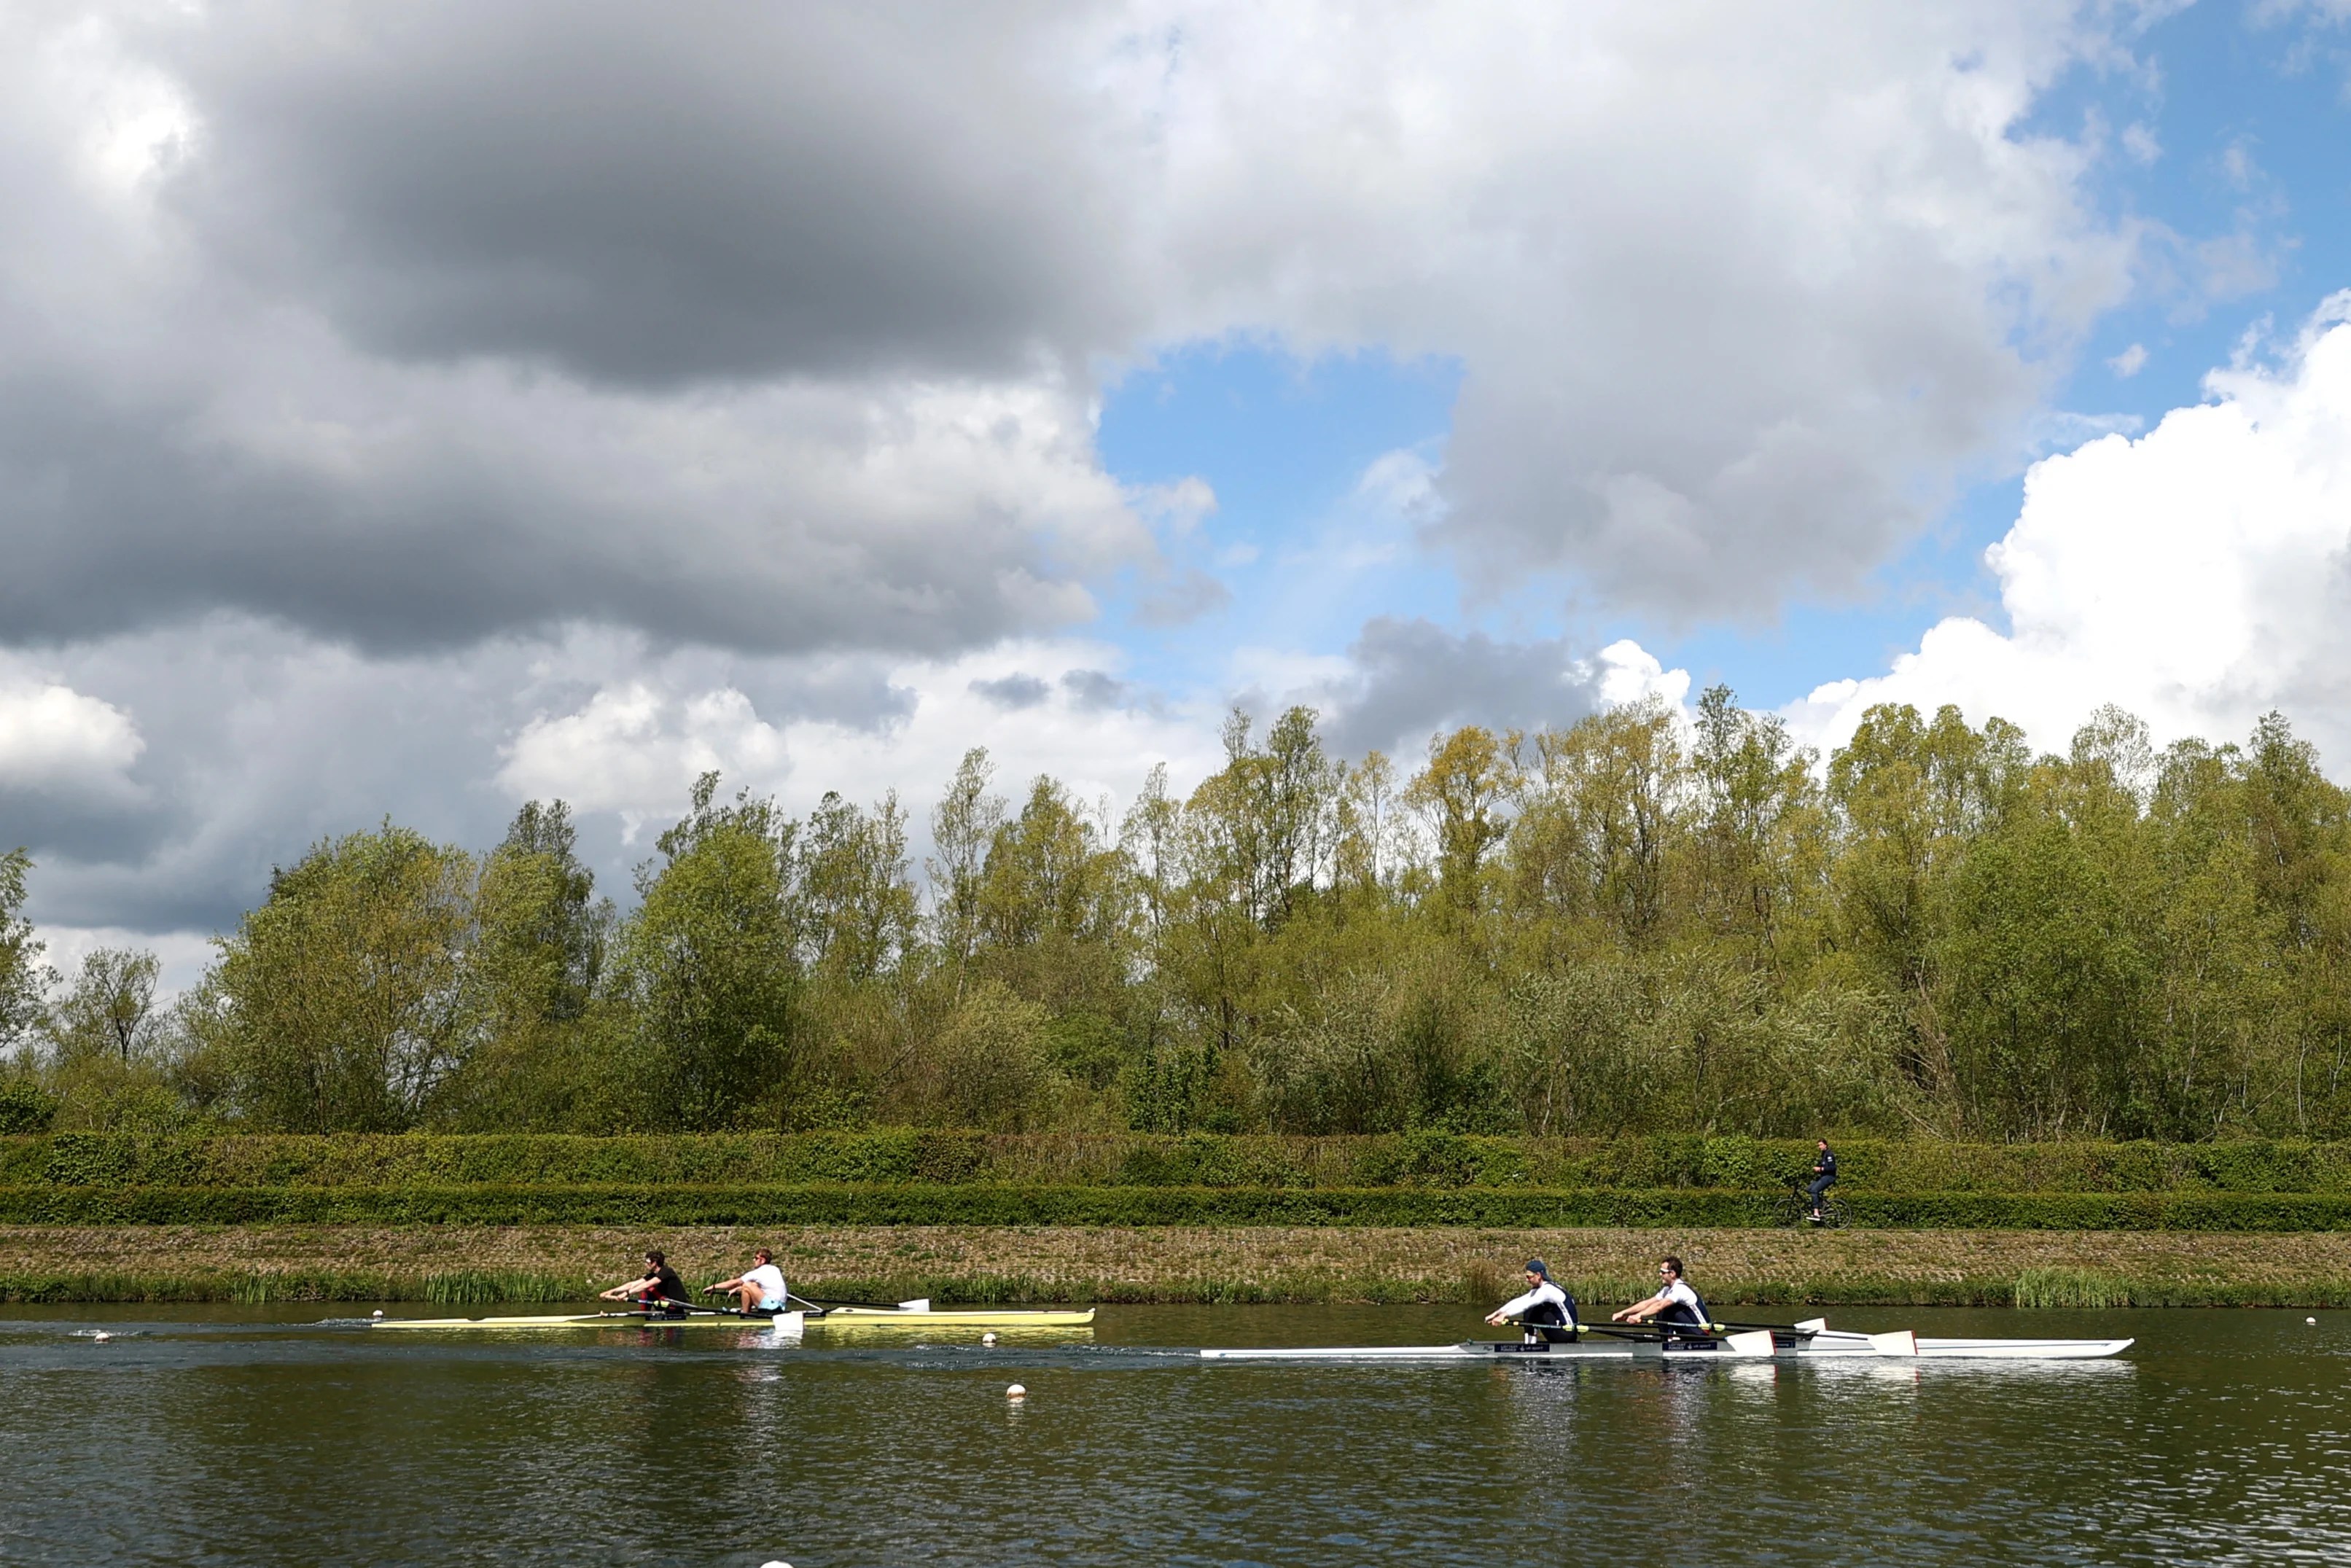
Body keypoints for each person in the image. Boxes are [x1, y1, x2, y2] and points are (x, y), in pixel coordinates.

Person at [1486, 1258, 1578, 1343]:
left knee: (1533, 1309)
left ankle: (1530, 1345)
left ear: (1538, 1275)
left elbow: (1527, 1305)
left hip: (1567, 1334)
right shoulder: (1540, 1289)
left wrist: (1504, 1316)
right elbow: (1519, 1301)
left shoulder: (1547, 1290)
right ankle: (1530, 1343)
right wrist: (1497, 1313)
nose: (1527, 1280)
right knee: (1532, 1308)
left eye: (1529, 1277)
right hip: (1560, 1330)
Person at [1612, 1256, 1711, 1334]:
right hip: (1689, 1328)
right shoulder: (1667, 1290)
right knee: (1659, 1307)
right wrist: (1624, 1313)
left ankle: (1669, 1339)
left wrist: (1639, 1315)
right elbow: (1646, 1304)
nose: (1660, 1274)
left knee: (1665, 1308)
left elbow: (1659, 1306)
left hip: (1700, 1330)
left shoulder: (1680, 1289)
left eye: (1663, 1272)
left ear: (1672, 1274)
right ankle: (1668, 1339)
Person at [600, 1249, 693, 1317]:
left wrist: (627, 1293)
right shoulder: (653, 1274)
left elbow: (647, 1285)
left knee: (649, 1289)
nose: (645, 1264)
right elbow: (632, 1284)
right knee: (647, 1290)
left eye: (647, 1262)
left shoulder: (667, 1271)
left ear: (654, 1263)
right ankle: (644, 1316)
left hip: (675, 1305)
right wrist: (611, 1291)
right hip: (665, 1304)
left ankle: (644, 1316)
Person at [708, 1247, 789, 1316]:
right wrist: (737, 1289)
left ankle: (745, 1314)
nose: (754, 1260)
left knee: (746, 1285)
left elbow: (733, 1283)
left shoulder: (758, 1272)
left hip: (772, 1308)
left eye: (756, 1258)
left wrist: (713, 1287)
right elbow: (756, 1286)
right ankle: (746, 1312)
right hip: (780, 1308)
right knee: (748, 1286)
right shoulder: (775, 1269)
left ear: (762, 1260)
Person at [1809, 1139, 1839, 1222]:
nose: (1819, 1147)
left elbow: (1833, 1168)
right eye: (1819, 1145)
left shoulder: (1829, 1154)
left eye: (1821, 1145)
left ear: (1826, 1145)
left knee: (1814, 1191)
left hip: (1829, 1177)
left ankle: (1816, 1214)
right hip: (1823, 1176)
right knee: (1809, 1189)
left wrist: (1821, 1169)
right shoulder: (1823, 1154)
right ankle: (1819, 1205)